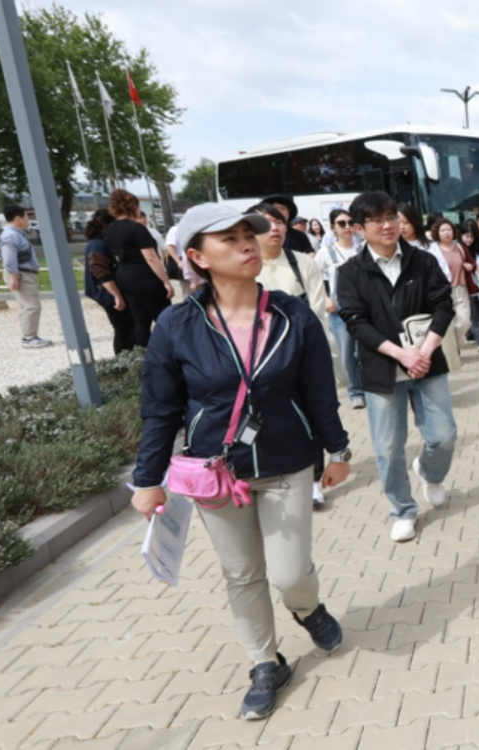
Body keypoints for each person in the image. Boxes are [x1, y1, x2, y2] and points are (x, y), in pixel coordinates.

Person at [129, 202, 352, 721]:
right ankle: (265, 662)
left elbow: (319, 391)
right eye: (228, 239)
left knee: (289, 572)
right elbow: (160, 409)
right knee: (241, 573)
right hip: (217, 473)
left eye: (248, 234)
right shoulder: (176, 326)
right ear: (196, 257)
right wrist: (147, 480)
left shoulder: (292, 314)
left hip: (287, 460)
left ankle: (307, 607)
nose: (248, 243)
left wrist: (336, 449)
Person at [336, 191, 458, 543]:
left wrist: (424, 350)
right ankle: (402, 509)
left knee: (443, 435)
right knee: (389, 446)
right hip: (382, 367)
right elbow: (355, 322)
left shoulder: (422, 260)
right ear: (360, 228)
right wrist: (402, 355)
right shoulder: (349, 272)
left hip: (427, 361)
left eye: (392, 217)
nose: (388, 225)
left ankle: (429, 471)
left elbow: (443, 305)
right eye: (377, 220)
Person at [247, 202, 332, 507]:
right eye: (267, 222)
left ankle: (313, 480)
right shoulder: (245, 267)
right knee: (255, 418)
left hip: (300, 357)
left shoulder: (302, 263)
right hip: (254, 362)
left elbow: (317, 310)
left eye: (280, 222)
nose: (276, 228)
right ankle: (255, 474)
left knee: (312, 416)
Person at [108, 189, 172, 348]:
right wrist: (166, 281)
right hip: (145, 276)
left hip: (124, 276)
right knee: (165, 318)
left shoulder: (111, 229)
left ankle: (145, 353)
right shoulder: (137, 228)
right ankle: (169, 351)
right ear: (133, 206)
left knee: (140, 320)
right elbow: (151, 258)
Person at [316, 209, 366, 409]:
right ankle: (355, 391)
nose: (347, 227)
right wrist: (326, 298)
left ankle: (372, 387)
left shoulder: (363, 249)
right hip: (340, 310)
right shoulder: (325, 252)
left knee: (366, 350)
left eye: (350, 222)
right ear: (333, 227)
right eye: (341, 223)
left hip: (365, 307)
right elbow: (314, 278)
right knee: (346, 353)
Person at [81, 209, 135, 355]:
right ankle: (124, 360)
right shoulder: (98, 245)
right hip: (108, 293)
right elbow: (101, 273)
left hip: (108, 292)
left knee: (125, 327)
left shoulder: (97, 243)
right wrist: (116, 295)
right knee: (124, 329)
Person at [430, 216, 479, 353]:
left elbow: (472, 264)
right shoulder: (433, 250)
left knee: (464, 323)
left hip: (461, 289)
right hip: (443, 292)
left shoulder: (460, 247)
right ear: (437, 233)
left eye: (448, 230)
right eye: (443, 230)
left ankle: (453, 347)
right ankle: (452, 351)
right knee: (449, 325)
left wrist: (470, 266)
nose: (446, 233)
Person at [0, 204, 51, 348]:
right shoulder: (11, 236)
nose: (28, 219)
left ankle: (28, 335)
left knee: (25, 305)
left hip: (22, 273)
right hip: (21, 274)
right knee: (31, 306)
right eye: (26, 216)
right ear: (18, 218)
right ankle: (29, 337)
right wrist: (14, 277)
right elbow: (9, 258)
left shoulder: (15, 234)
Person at [458, 218, 479, 352]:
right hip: (459, 285)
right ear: (461, 235)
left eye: (471, 236)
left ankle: (476, 336)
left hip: (474, 285)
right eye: (466, 236)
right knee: (468, 314)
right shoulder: (456, 248)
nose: (469, 239)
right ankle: (477, 337)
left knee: (474, 312)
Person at [139, 210, 186, 302]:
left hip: (158, 267)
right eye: (139, 218)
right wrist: (178, 261)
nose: (143, 220)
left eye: (143, 217)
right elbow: (169, 246)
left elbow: (163, 251)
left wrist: (164, 265)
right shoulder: (175, 230)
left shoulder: (154, 233)